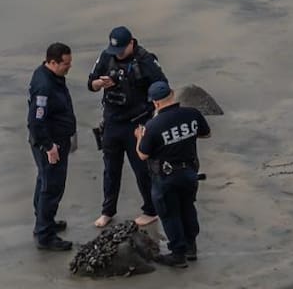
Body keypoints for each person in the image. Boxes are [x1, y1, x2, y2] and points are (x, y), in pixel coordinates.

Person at [86, 25, 167, 228]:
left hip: (137, 123)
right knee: (110, 169)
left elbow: (162, 87)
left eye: (122, 50)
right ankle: (107, 211)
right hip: (112, 121)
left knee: (142, 169)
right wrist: (99, 84)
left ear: (131, 43)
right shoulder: (106, 56)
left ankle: (151, 210)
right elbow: (91, 83)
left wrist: (155, 117)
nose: (118, 54)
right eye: (116, 51)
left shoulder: (145, 60)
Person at [136, 80, 211, 268]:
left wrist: (139, 138)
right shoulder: (192, 114)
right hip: (190, 172)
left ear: (156, 103)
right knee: (188, 207)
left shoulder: (153, 126)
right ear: (172, 95)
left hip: (165, 177)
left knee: (170, 214)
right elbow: (206, 134)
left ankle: (178, 254)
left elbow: (143, 154)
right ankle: (191, 247)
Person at [27, 42, 77, 251]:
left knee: (44, 180)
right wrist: (49, 147)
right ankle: (45, 235)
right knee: (52, 186)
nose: (69, 67)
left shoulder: (51, 76)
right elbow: (36, 121)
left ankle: (44, 222)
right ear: (53, 62)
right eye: (66, 64)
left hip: (56, 139)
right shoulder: (44, 86)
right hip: (50, 144)